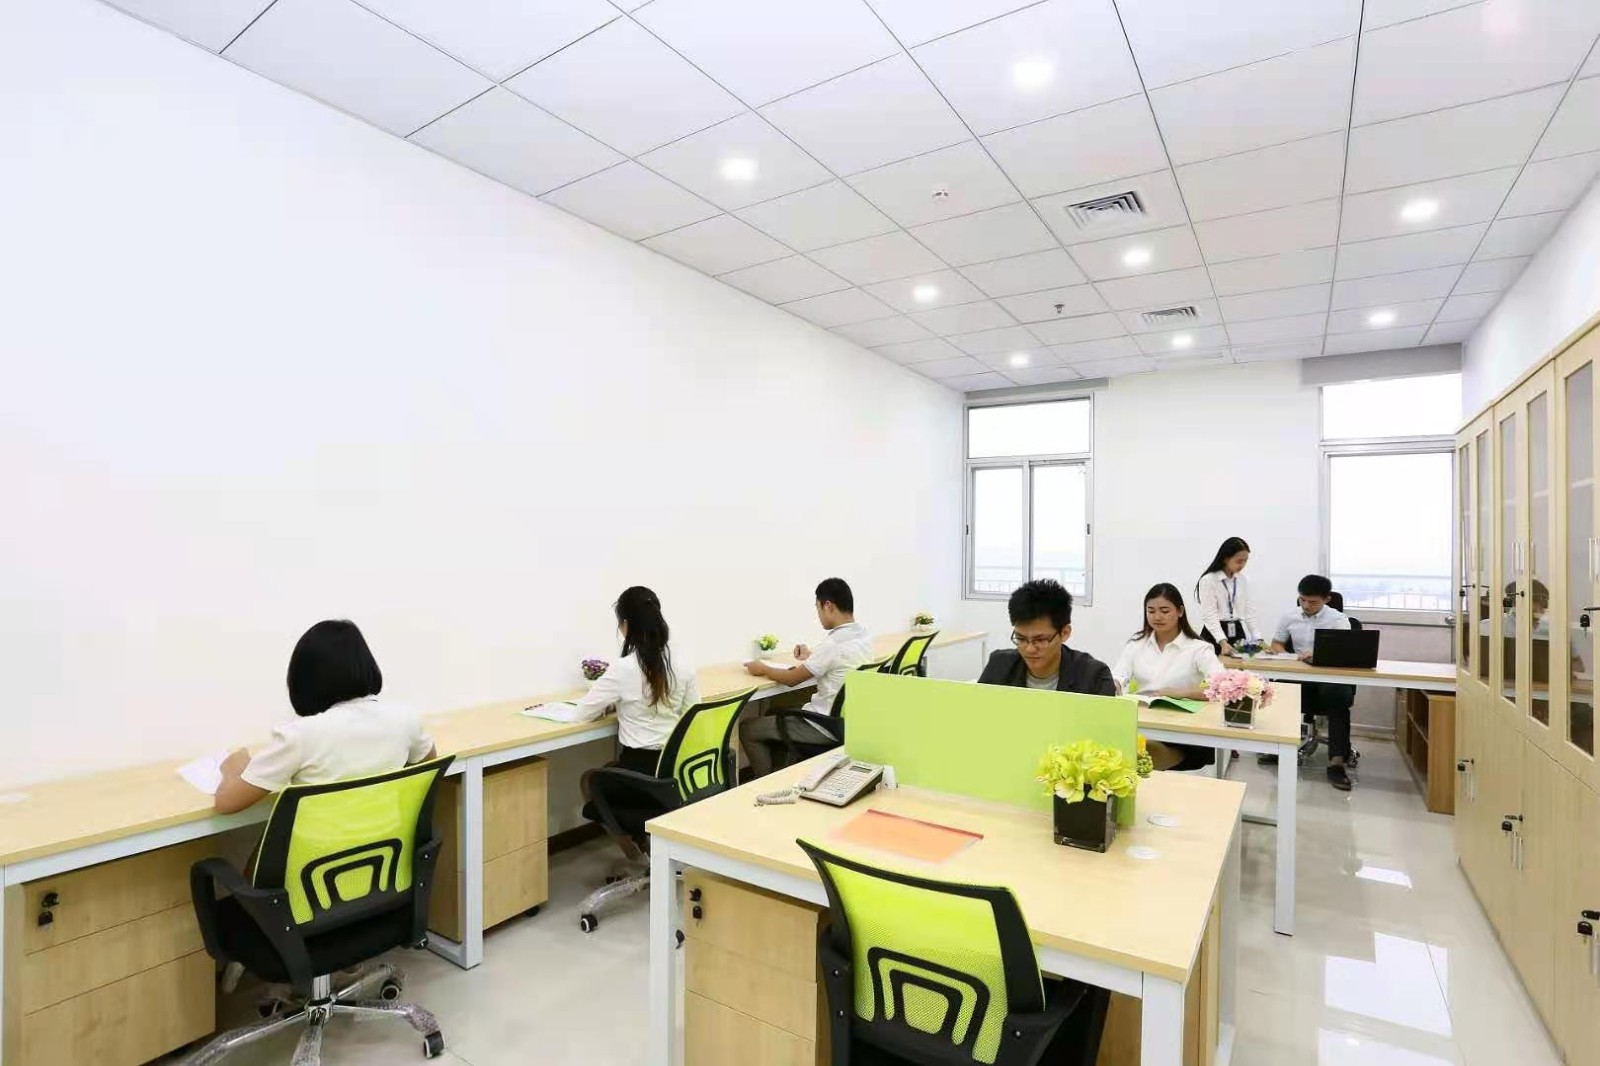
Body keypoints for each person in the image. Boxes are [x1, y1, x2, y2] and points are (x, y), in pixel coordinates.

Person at [532, 587, 700, 864]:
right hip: (676, 774)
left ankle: (635, 852)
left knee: (590, 779)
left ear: (626, 625)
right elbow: (694, 714)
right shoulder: (682, 663)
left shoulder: (624, 669)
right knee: (610, 769)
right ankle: (646, 849)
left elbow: (581, 714)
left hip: (641, 777)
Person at [213, 620, 436, 815]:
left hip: (320, 853)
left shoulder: (300, 736)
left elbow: (226, 804)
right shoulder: (405, 719)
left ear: (303, 679)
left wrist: (233, 766)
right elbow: (429, 762)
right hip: (387, 848)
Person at [740, 577, 872, 779]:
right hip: (849, 722)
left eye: (818, 609)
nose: (818, 616)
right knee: (772, 711)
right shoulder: (863, 636)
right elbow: (840, 661)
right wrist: (812, 656)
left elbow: (791, 679)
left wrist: (762, 667)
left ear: (828, 605)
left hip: (822, 726)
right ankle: (782, 775)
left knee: (748, 728)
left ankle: (764, 784)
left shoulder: (833, 644)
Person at [1111, 583, 1222, 770]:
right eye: (1151, 611)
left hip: (1181, 730)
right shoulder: (1136, 644)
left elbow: (1222, 687)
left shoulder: (1198, 648)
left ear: (1180, 611)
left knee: (1137, 755)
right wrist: (1111, 684)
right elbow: (1119, 676)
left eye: (1164, 611)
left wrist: (1180, 693)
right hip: (1143, 720)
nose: (1157, 617)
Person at [1269, 574, 1356, 792]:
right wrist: (1290, 657)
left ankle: (1336, 763)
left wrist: (1317, 654)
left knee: (1337, 696)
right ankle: (1276, 748)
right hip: (1301, 674)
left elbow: (1345, 650)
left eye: (1313, 602)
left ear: (1326, 599)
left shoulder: (1338, 620)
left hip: (1330, 677)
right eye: (1302, 600)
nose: (1306, 606)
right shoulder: (1289, 616)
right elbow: (1276, 643)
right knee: (1278, 689)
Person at [977, 579, 1114, 694]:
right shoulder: (999, 666)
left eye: (1040, 640)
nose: (1029, 649)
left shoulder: (1094, 676)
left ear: (1064, 633)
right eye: (1021, 639)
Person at [1195, 536, 1265, 656]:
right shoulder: (1209, 580)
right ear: (1225, 558)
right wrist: (1222, 642)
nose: (1242, 565)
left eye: (1245, 561)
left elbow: (1249, 612)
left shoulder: (1243, 580)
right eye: (1239, 561)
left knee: (1241, 666)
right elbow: (1210, 615)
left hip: (1237, 631)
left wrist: (1259, 640)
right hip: (1214, 633)